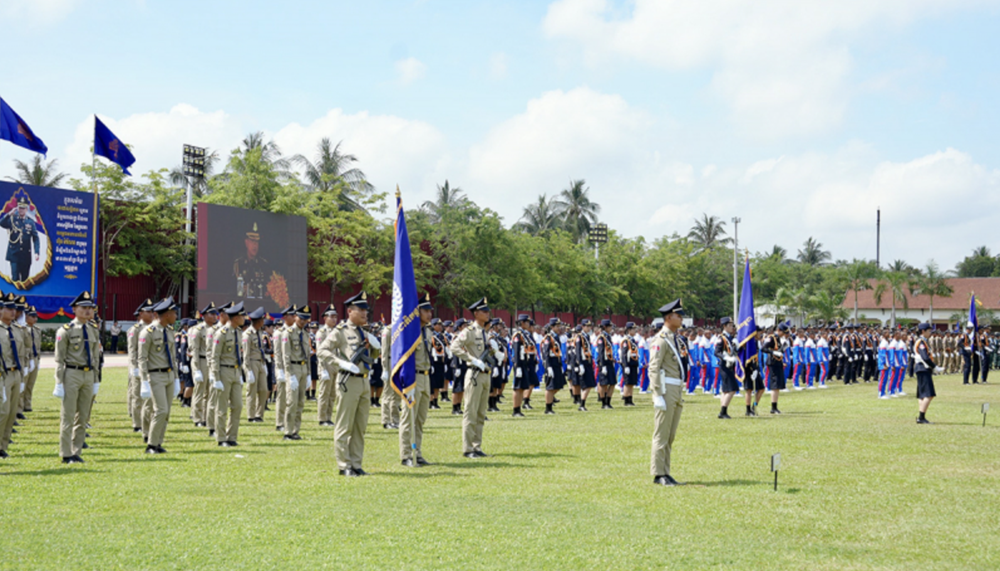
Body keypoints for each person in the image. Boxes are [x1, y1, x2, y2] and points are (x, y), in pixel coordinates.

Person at [319, 291, 379, 477]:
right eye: (360, 310)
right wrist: (341, 363)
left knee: (360, 426)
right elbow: (322, 350)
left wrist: (375, 347)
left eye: (366, 310)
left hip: (363, 381)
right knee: (344, 425)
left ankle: (356, 463)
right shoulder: (341, 331)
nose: (365, 313)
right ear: (350, 311)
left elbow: (372, 358)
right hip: (348, 381)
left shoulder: (365, 332)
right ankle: (344, 465)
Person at [450, 298, 496, 458]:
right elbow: (454, 346)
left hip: (485, 374)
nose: (487, 314)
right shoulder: (469, 331)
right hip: (474, 375)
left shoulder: (484, 331)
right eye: (484, 311)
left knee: (481, 413)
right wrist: (471, 359)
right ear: (476, 314)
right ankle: (468, 448)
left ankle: (477, 446)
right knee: (470, 412)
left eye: (487, 311)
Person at [648, 299, 687, 486]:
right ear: (669, 317)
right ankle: (658, 473)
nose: (681, 319)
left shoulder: (673, 338)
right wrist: (656, 394)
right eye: (678, 316)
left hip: (676, 388)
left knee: (670, 435)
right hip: (665, 389)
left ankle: (666, 471)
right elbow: (653, 368)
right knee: (661, 434)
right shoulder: (661, 339)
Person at [138, 297, 180, 454]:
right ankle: (151, 444)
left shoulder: (169, 331)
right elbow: (142, 358)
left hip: (169, 375)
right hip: (155, 375)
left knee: (166, 412)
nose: (176, 316)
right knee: (160, 410)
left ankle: (158, 442)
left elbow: (173, 356)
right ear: (167, 314)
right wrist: (144, 381)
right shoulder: (148, 332)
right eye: (174, 313)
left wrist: (176, 378)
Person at [399, 293, 435, 467]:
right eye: (426, 310)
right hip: (413, 378)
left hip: (426, 377)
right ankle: (406, 454)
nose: (429, 314)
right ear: (417, 311)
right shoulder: (410, 331)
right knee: (408, 418)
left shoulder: (427, 330)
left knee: (420, 419)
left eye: (430, 311)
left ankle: (417, 452)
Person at [280, 305, 311, 441]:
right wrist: (289, 374)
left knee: (300, 402)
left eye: (306, 319)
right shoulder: (288, 333)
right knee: (291, 402)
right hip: (293, 368)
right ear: (295, 317)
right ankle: (287, 431)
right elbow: (285, 355)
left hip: (303, 368)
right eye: (301, 318)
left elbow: (308, 355)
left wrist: (309, 373)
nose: (303, 321)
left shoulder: (305, 334)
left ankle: (295, 430)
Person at [187, 303, 217, 428]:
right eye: (212, 314)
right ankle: (197, 418)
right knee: (199, 391)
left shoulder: (216, 330)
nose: (215, 316)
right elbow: (194, 351)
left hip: (212, 362)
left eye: (216, 313)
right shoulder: (197, 330)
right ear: (204, 316)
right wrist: (197, 369)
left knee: (210, 392)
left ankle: (206, 417)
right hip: (201, 360)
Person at [0, 197, 40, 283]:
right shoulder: (12, 219)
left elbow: (35, 238)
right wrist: (9, 214)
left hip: (25, 255)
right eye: (20, 207)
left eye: (23, 208)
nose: (21, 210)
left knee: (25, 280)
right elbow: (1, 223)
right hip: (14, 254)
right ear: (17, 208)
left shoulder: (30, 222)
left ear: (26, 209)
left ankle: (22, 296)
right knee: (15, 279)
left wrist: (37, 252)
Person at [244, 307, 268, 423]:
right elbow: (246, 354)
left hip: (260, 362)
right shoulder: (247, 334)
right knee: (252, 390)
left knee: (264, 389)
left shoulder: (259, 332)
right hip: (252, 362)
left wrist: (264, 363)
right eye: (262, 320)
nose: (264, 322)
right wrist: (248, 370)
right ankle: (251, 415)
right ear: (258, 321)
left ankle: (259, 414)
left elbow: (261, 349)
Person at [510, 314, 537, 417]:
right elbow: (516, 351)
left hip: (525, 363)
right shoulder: (518, 335)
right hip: (520, 363)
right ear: (521, 323)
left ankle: (519, 408)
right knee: (518, 387)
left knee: (522, 387)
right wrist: (517, 366)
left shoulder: (525, 334)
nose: (528, 324)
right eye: (526, 322)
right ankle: (515, 410)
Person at [316, 304, 338, 426]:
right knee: (324, 393)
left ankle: (328, 417)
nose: (334, 319)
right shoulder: (322, 333)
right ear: (325, 318)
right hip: (326, 365)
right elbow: (320, 352)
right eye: (331, 317)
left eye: (336, 317)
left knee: (332, 394)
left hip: (335, 365)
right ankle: (322, 418)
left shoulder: (337, 332)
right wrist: (323, 368)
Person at [233, 222, 269, 299]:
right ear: (246, 242)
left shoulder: (263, 264)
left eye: (257, 242)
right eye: (252, 241)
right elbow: (233, 288)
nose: (255, 245)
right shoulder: (239, 264)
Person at [18, 306, 40, 417]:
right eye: (32, 316)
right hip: (26, 359)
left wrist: (37, 360)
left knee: (30, 384)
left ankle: (27, 405)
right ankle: (19, 408)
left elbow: (38, 346)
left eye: (36, 316)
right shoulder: (22, 329)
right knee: (23, 384)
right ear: (26, 316)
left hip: (35, 359)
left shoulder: (37, 330)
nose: (35, 319)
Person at [913, 323, 937, 424]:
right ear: (923, 331)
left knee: (922, 395)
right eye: (928, 331)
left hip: (922, 368)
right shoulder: (921, 342)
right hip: (923, 368)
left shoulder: (923, 341)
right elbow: (925, 357)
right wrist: (934, 366)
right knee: (929, 394)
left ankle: (921, 417)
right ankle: (921, 417)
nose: (930, 333)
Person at [715, 318, 739, 419]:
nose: (732, 327)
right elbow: (716, 352)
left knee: (725, 390)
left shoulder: (729, 337)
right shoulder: (722, 338)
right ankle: (722, 411)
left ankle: (723, 411)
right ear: (724, 326)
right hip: (725, 366)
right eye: (729, 325)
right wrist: (726, 357)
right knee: (732, 389)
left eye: (732, 325)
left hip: (730, 365)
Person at [379, 323, 401, 429]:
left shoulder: (402, 328)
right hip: (389, 362)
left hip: (399, 363)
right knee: (387, 394)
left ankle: (396, 420)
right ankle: (386, 420)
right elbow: (384, 351)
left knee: (397, 394)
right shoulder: (388, 330)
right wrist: (385, 369)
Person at [596, 319, 616, 409]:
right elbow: (601, 352)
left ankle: (608, 402)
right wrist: (603, 365)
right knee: (603, 384)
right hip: (604, 363)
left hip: (609, 362)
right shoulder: (601, 338)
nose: (611, 328)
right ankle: (604, 403)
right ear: (605, 327)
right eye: (610, 326)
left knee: (612, 383)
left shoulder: (608, 337)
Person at [619, 322, 640, 406]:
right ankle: (626, 400)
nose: (635, 331)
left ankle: (630, 399)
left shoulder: (632, 340)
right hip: (628, 364)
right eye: (634, 329)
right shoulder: (626, 340)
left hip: (633, 363)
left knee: (631, 383)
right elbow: (624, 354)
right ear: (629, 330)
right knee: (627, 383)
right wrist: (626, 366)